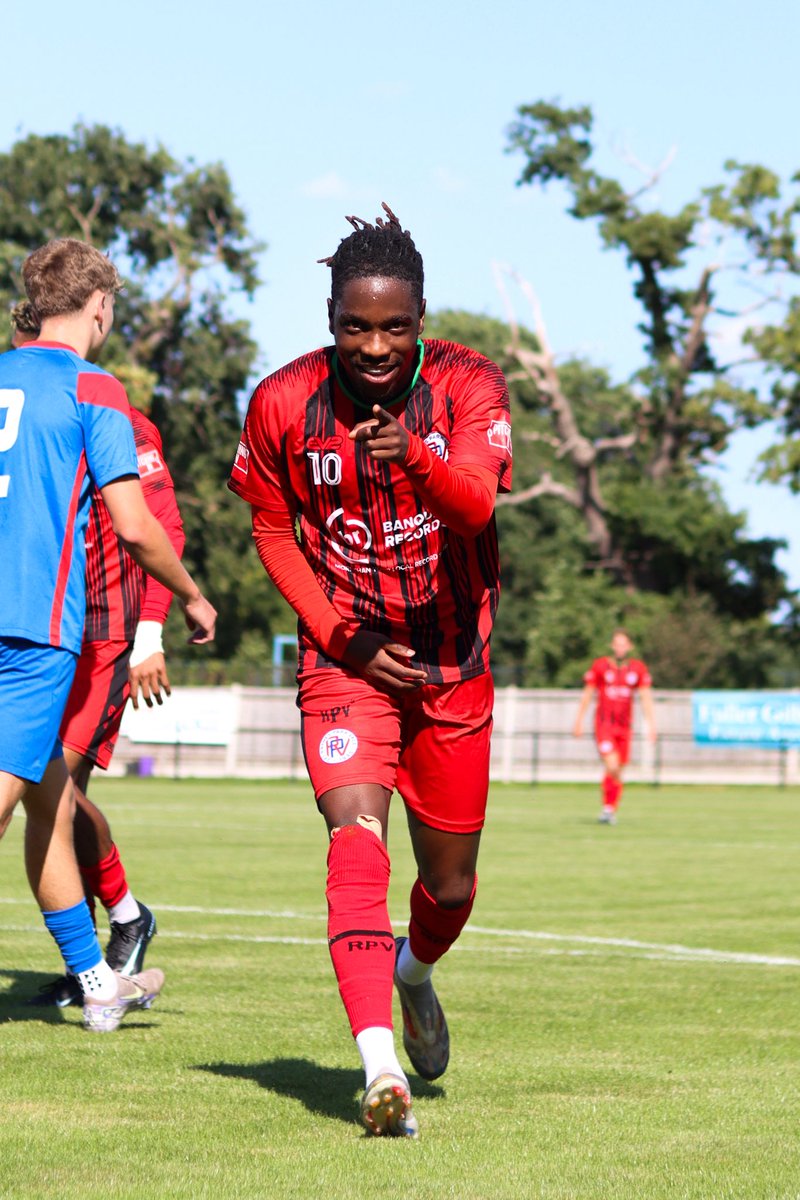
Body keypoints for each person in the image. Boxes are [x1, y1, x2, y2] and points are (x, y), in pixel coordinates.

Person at [228, 205, 512, 1138]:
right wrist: (337, 636)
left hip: (453, 662)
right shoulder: (282, 402)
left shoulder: (471, 385)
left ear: (422, 319)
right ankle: (379, 1066)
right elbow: (272, 529)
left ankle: (416, 973)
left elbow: (471, 509)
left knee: (453, 885)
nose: (375, 345)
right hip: (346, 661)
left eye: (394, 326)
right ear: (330, 318)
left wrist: (418, 461)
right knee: (355, 836)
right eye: (356, 325)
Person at [0, 237, 216, 1033]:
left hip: (42, 628)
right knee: (18, 802)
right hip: (35, 630)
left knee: (49, 801)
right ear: (99, 306)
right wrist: (189, 599)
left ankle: (97, 980)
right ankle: (113, 934)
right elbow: (140, 525)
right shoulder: (95, 389)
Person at [572, 629, 657, 824]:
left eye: (623, 644)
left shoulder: (637, 669)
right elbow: (587, 694)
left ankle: (608, 809)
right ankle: (609, 806)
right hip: (604, 726)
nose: (620, 648)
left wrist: (652, 726)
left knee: (616, 769)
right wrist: (579, 721)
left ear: (629, 647)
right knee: (612, 765)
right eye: (617, 644)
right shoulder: (600, 666)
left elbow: (646, 699)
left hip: (625, 728)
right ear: (612, 646)